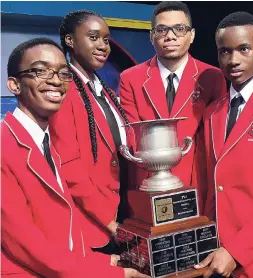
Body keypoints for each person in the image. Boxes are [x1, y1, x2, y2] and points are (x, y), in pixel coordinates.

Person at [1, 37, 147, 278]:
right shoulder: (5, 147)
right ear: (14, 85)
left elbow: (60, 232)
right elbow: (26, 246)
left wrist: (103, 260)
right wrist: (114, 274)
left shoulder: (47, 145)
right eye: (40, 71)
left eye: (63, 73)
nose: (56, 80)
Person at [195, 12, 253, 278]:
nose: (233, 60)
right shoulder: (213, 112)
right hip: (214, 258)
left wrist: (236, 251)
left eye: (243, 49)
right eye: (225, 51)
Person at [119, 1, 226, 213]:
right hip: (148, 184)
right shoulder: (130, 78)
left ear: (192, 34)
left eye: (179, 29)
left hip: (196, 185)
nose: (170, 36)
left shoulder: (212, 76)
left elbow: (215, 139)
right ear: (151, 36)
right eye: (162, 29)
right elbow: (131, 132)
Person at [49, 10, 132, 255]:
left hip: (121, 212)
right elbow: (70, 167)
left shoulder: (101, 88)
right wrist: (110, 223)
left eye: (106, 40)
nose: (103, 46)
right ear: (70, 40)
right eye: (93, 37)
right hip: (93, 225)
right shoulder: (63, 89)